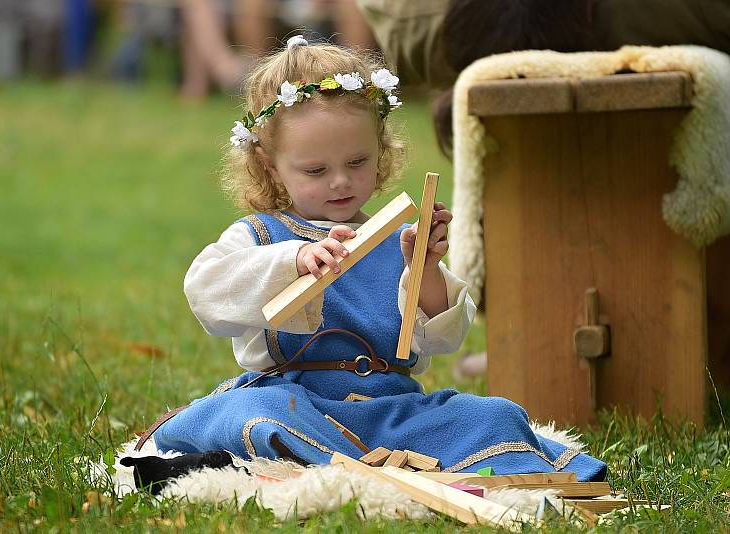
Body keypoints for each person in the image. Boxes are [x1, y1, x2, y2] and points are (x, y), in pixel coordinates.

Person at [140, 36, 606, 483]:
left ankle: (373, 459)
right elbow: (204, 288)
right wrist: (294, 259)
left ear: (380, 148)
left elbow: (442, 336)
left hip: (392, 409)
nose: (341, 182)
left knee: (494, 414)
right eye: (316, 170)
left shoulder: (393, 234)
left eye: (358, 162)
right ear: (268, 164)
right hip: (301, 400)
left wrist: (422, 268)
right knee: (251, 415)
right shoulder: (262, 235)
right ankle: (320, 457)